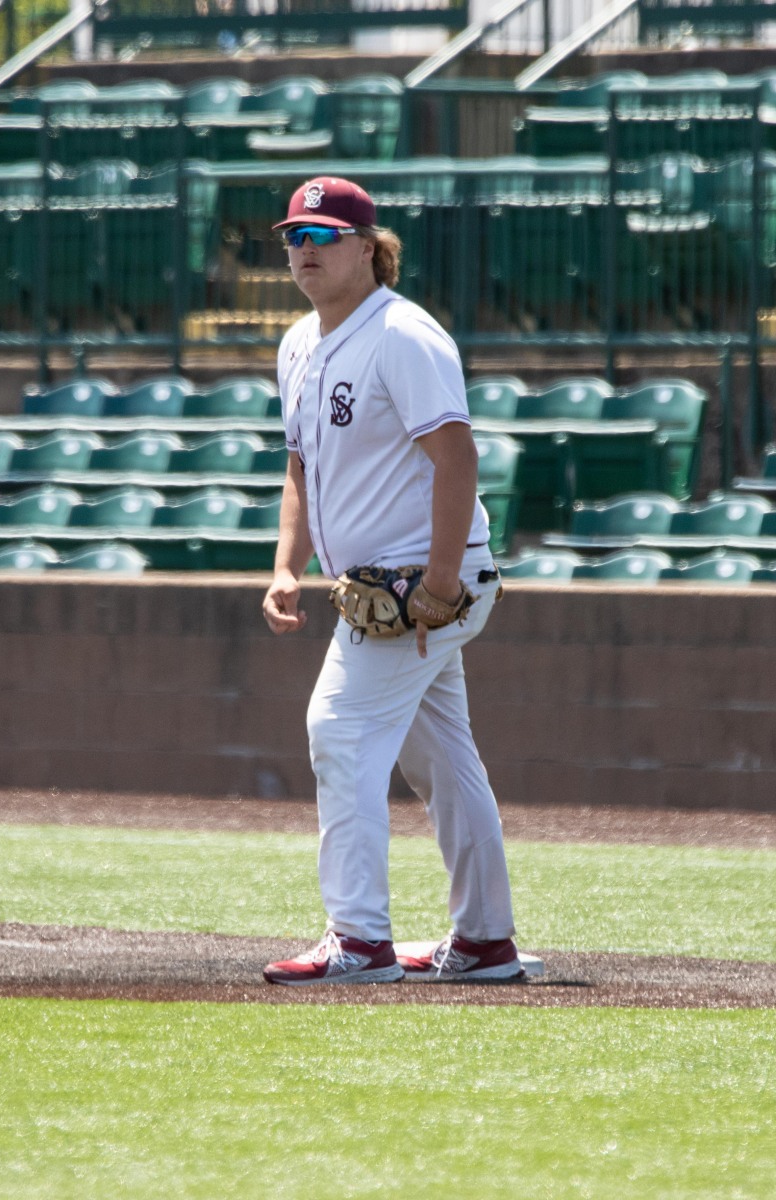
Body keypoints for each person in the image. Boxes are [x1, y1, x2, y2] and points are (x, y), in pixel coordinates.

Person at [259, 176, 522, 986]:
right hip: (382, 585)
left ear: (370, 249)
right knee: (441, 756)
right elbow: (301, 467)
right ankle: (484, 941)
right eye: (295, 236)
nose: (305, 249)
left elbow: (457, 458)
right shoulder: (298, 344)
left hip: (420, 582)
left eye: (323, 236)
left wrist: (438, 581)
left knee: (338, 728)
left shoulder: (403, 335)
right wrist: (288, 566)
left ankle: (359, 940)